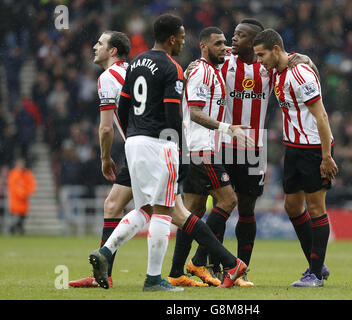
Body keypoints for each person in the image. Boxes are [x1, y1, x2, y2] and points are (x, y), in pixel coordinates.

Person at [89, 14, 247, 291]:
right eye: (183, 38)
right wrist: (181, 152)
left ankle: (105, 252)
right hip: (159, 144)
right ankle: (154, 279)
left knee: (147, 209)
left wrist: (133, 132)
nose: (184, 42)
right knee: (163, 211)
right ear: (172, 38)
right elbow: (174, 117)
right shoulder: (172, 67)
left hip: (134, 143)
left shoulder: (136, 62)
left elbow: (123, 107)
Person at [170, 18, 318, 287]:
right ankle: (208, 265)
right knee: (212, 205)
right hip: (221, 143)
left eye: (240, 35)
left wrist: (305, 59)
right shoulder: (223, 61)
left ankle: (240, 268)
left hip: (252, 146)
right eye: (233, 35)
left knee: (247, 209)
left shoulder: (268, 66)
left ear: (256, 42)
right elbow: (201, 67)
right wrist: (192, 65)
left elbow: (295, 61)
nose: (233, 39)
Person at [168, 26, 254, 287]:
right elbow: (194, 113)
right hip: (200, 149)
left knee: (192, 211)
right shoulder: (202, 73)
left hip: (197, 149)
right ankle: (199, 261)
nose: (223, 48)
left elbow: (235, 52)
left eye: (225, 43)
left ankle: (175, 273)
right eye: (217, 44)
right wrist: (229, 128)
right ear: (203, 46)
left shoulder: (212, 68)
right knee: (228, 200)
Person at [253, 29, 338, 287]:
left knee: (315, 208)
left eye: (262, 55)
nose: (259, 61)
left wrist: (326, 156)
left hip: (314, 149)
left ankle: (314, 274)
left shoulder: (300, 73)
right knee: (292, 206)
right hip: (293, 148)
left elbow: (321, 116)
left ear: (276, 50)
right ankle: (317, 264)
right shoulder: (278, 72)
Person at [69, 30, 135, 288]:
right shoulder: (138, 70)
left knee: (173, 213)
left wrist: (105, 158)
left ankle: (229, 263)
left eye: (100, 43)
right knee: (113, 206)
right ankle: (103, 275)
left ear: (113, 51)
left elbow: (106, 128)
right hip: (157, 144)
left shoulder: (108, 77)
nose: (95, 47)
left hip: (143, 148)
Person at [7, 158, 37, 235]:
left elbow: (32, 184)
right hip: (16, 199)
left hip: (24, 200)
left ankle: (18, 229)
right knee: (17, 217)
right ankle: (15, 229)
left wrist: (27, 192)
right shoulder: (14, 173)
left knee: (22, 217)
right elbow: (14, 186)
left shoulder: (27, 173)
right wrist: (23, 193)